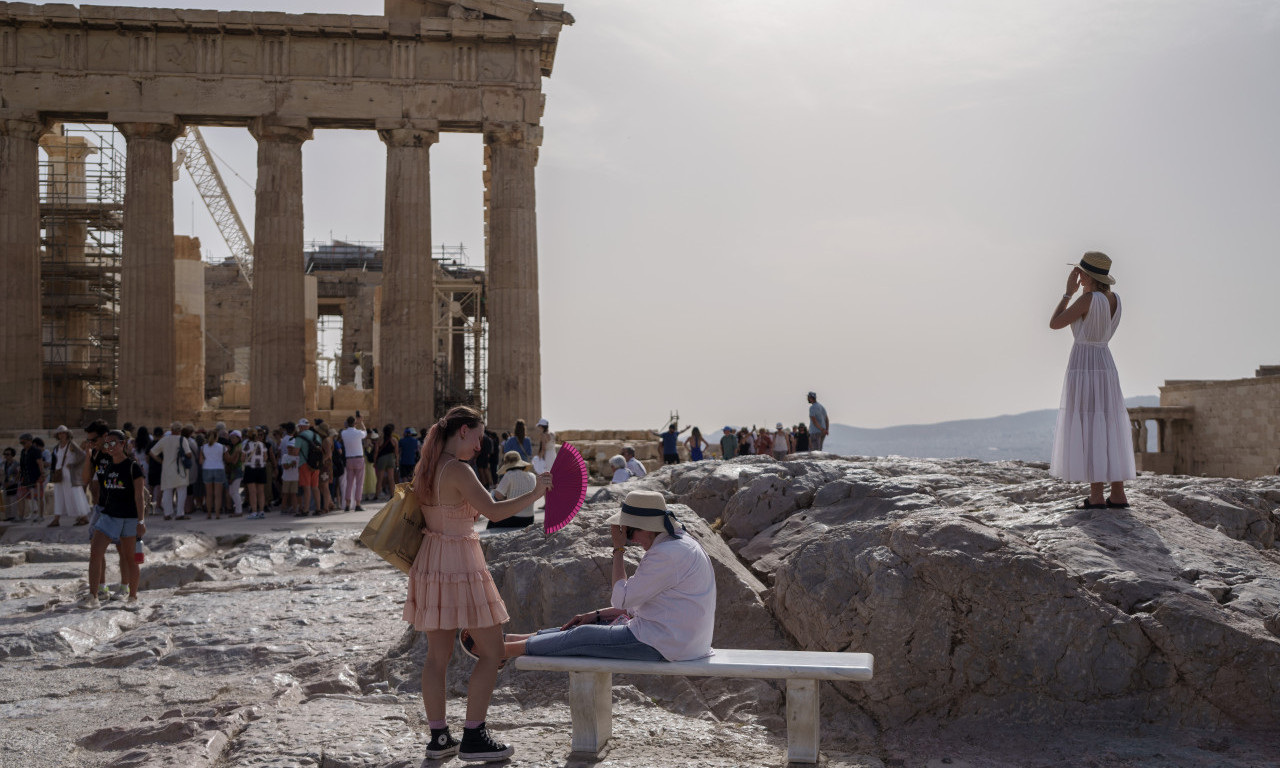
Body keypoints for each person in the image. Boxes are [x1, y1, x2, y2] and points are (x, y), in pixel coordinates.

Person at [402, 405, 552, 762]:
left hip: (431, 560)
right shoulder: (458, 469)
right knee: (493, 651)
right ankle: (473, 736)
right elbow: (495, 512)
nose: (481, 444)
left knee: (437, 656)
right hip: (460, 562)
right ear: (464, 431)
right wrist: (535, 494)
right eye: (479, 435)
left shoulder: (427, 467)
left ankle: (439, 738)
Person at [500, 490, 716, 664]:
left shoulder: (666, 554)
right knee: (583, 627)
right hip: (683, 640)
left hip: (666, 645)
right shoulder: (680, 543)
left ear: (648, 528)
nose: (631, 540)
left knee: (582, 636)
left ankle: (502, 651)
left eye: (629, 533)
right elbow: (644, 604)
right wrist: (596, 614)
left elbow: (621, 599)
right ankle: (514, 640)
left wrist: (618, 550)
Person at [1049, 251, 1135, 509]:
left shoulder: (1088, 299)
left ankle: (1096, 496)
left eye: (1080, 272)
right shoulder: (1115, 299)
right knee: (1108, 422)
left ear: (1086, 276)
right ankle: (1118, 493)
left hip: (1084, 363)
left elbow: (1055, 323)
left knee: (1088, 422)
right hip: (1106, 363)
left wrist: (1067, 293)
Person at [84, 430, 145, 610]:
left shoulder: (133, 467)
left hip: (129, 518)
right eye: (107, 444)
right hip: (109, 516)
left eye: (113, 443)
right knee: (95, 553)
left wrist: (141, 522)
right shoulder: (109, 466)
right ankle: (93, 596)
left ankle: (132, 597)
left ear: (123, 444)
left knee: (129, 558)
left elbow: (139, 496)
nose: (109, 447)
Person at [49, 425, 90, 527]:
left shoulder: (71, 445)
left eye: (63, 433)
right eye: (59, 433)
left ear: (67, 434)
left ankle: (83, 516)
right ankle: (56, 518)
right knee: (59, 494)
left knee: (74, 494)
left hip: (69, 474)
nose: (61, 435)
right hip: (60, 473)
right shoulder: (57, 447)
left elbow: (83, 455)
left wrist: (73, 465)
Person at [491, 450, 537, 529]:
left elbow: (498, 497)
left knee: (492, 521)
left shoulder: (509, 475)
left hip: (513, 518)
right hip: (529, 518)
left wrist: (495, 490)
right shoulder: (532, 476)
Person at [339, 414, 367, 512]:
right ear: (354, 423)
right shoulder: (359, 432)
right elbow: (365, 433)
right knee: (359, 483)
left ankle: (347, 504)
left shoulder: (343, 433)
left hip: (349, 459)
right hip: (359, 458)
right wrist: (361, 422)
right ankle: (358, 504)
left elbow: (345, 428)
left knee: (349, 483)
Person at [201, 426, 228, 519]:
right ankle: (217, 514)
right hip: (219, 468)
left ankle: (208, 513)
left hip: (207, 468)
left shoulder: (203, 447)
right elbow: (227, 458)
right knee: (218, 494)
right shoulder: (222, 447)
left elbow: (201, 461)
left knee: (208, 494)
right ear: (217, 437)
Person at [243, 428, 269, 519]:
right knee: (261, 491)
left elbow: (243, 458)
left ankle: (254, 511)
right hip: (261, 468)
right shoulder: (262, 445)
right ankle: (261, 511)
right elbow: (265, 457)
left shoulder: (247, 445)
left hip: (250, 468)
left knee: (252, 492)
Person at [376, 423, 399, 499]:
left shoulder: (380, 440)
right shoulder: (394, 440)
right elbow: (396, 453)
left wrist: (375, 461)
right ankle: (392, 494)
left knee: (380, 478)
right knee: (391, 478)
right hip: (391, 458)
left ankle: (377, 495)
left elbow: (376, 452)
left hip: (382, 459)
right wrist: (397, 462)